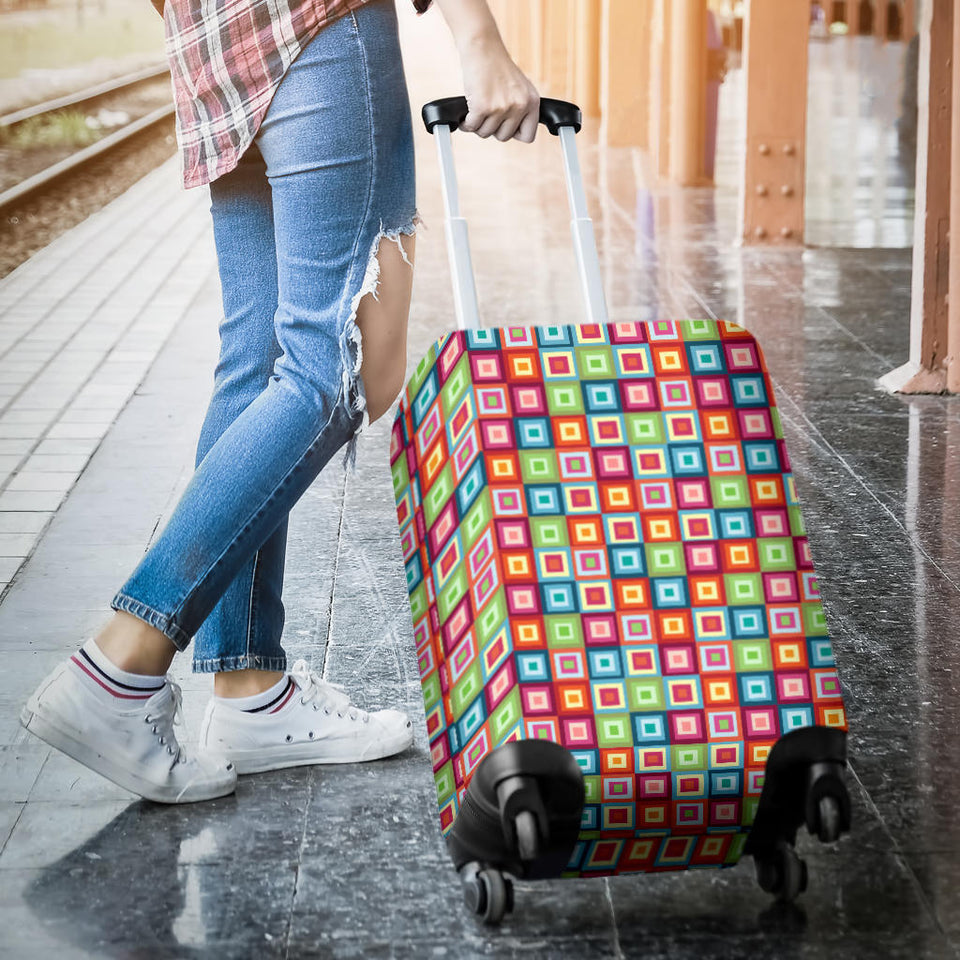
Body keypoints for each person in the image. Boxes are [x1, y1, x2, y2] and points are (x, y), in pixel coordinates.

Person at [20, 0, 540, 803]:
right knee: (338, 366)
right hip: (320, 25)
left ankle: (248, 689)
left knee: (259, 360)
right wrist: (480, 40)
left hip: (214, 47)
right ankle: (120, 665)